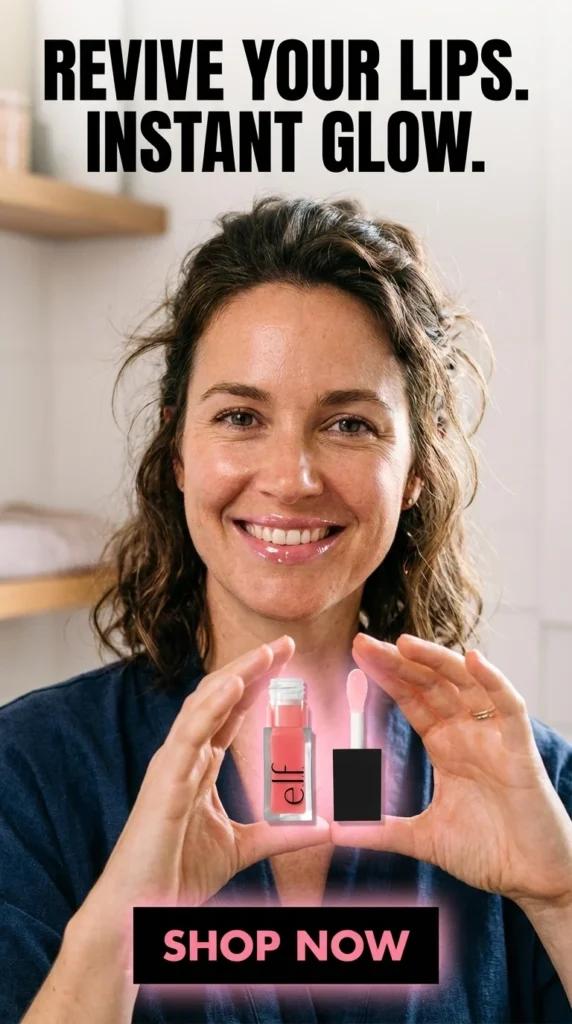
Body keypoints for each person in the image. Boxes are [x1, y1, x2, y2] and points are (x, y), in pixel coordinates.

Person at [1, 196, 571, 1024]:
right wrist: (120, 930)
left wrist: (559, 898)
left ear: (415, 467)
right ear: (178, 450)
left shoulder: (536, 788)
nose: (292, 478)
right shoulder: (29, 774)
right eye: (240, 417)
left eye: (349, 424)